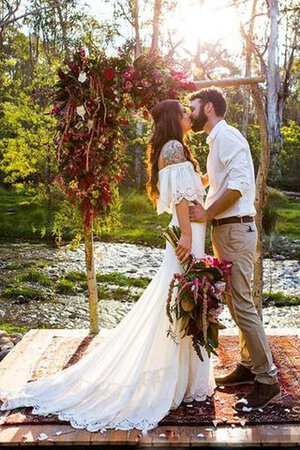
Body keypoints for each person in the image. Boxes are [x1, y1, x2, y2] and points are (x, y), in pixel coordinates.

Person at [0, 99, 216, 432]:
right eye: (185, 111)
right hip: (188, 235)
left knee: (181, 301)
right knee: (178, 301)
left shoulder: (175, 148)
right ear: (175, 118)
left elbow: (191, 191)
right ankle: (175, 380)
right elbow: (182, 199)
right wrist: (187, 235)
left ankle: (184, 380)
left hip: (194, 232)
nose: (190, 115)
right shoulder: (173, 147)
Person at [188, 87, 280, 411]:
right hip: (226, 231)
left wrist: (207, 213)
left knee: (242, 302)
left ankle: (267, 380)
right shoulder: (215, 142)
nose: (191, 112)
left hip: (236, 228)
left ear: (209, 108)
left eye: (194, 106)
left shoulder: (227, 137)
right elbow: (222, 183)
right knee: (234, 300)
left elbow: (240, 184)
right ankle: (247, 365)